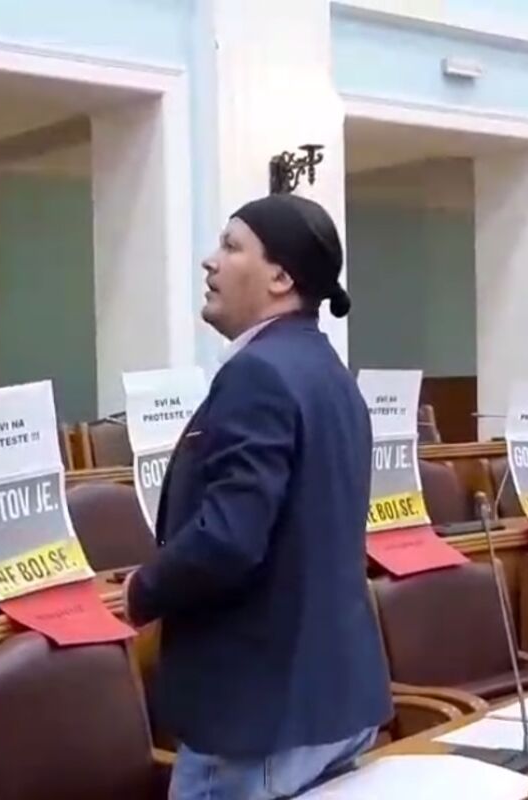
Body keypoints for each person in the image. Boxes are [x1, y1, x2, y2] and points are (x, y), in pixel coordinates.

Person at [123, 194, 392, 799]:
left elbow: (228, 537)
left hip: (257, 718)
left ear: (280, 278)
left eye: (231, 245)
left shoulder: (258, 374)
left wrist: (142, 590)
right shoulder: (329, 372)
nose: (210, 261)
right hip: (330, 701)